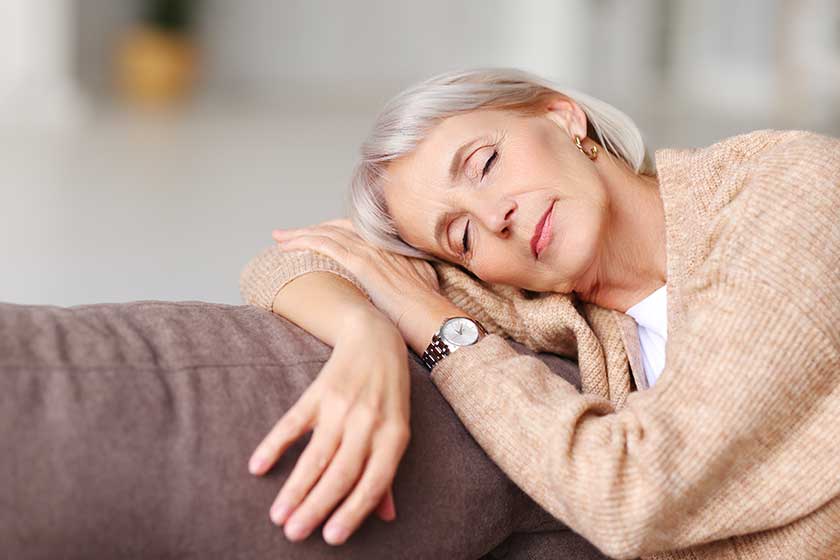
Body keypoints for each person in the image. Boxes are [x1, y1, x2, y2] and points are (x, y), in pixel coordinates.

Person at [239, 67, 840, 559]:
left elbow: (632, 496)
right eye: (461, 237)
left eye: (484, 164)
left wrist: (441, 333)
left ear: (562, 117)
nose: (492, 217)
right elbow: (295, 259)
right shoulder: (558, 310)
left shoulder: (786, 189)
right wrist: (364, 332)